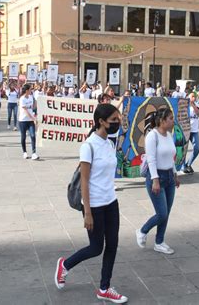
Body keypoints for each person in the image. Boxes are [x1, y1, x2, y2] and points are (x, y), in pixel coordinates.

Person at [55, 104, 128, 304]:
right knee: (96, 248)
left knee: (112, 244)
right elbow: (85, 182)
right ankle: (65, 265)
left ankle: (104, 287)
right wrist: (87, 212)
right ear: (101, 122)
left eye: (118, 119)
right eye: (114, 120)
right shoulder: (88, 146)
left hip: (111, 202)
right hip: (94, 205)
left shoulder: (110, 143)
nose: (117, 123)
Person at [136, 108, 180, 255]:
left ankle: (159, 242)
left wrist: (174, 174)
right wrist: (155, 180)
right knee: (161, 213)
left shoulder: (168, 135)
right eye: (170, 118)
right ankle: (142, 230)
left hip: (169, 176)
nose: (173, 121)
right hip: (156, 177)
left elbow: (170, 157)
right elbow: (151, 159)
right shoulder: (152, 136)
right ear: (162, 121)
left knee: (167, 212)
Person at [181, 92, 199, 174]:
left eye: (195, 96)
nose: (194, 97)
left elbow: (198, 113)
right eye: (192, 96)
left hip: (194, 131)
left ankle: (188, 164)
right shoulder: (183, 106)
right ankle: (183, 167)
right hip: (185, 130)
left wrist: (192, 104)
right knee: (184, 150)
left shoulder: (196, 105)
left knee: (197, 148)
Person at [18, 84, 39, 160]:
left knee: (33, 135)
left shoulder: (31, 97)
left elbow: (33, 107)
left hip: (30, 121)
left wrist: (35, 100)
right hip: (23, 120)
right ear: (27, 90)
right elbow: (26, 110)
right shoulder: (22, 99)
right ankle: (25, 152)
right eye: (30, 89)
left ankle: (34, 153)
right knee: (23, 137)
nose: (31, 91)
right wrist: (33, 118)